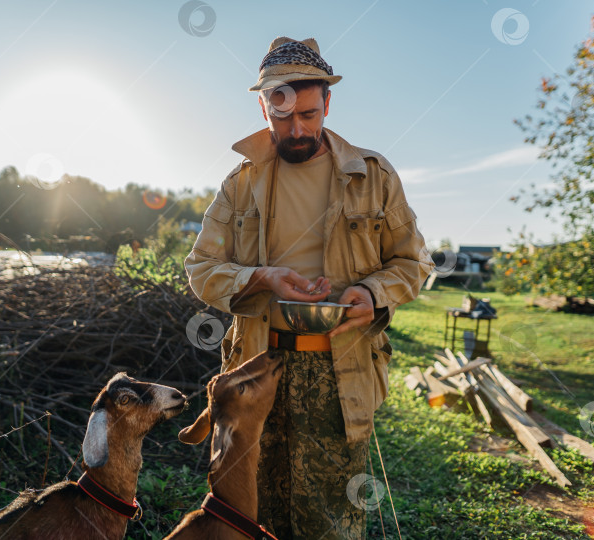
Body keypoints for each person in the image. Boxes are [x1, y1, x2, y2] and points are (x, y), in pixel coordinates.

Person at [185, 36, 434, 540]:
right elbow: (201, 269)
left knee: (332, 521)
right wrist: (261, 277)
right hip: (257, 365)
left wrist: (371, 294)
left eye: (309, 115)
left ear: (327, 103)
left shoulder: (372, 175)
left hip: (339, 370)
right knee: (251, 513)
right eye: (283, 117)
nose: (296, 130)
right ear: (263, 105)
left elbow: (413, 262)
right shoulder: (240, 183)